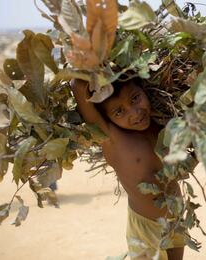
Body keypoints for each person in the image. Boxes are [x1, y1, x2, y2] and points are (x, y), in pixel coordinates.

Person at [71, 78, 185, 260]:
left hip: (176, 218)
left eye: (135, 99)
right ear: (107, 118)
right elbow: (78, 86)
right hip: (146, 228)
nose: (135, 113)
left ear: (143, 89)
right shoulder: (111, 138)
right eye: (119, 112)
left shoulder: (160, 124)